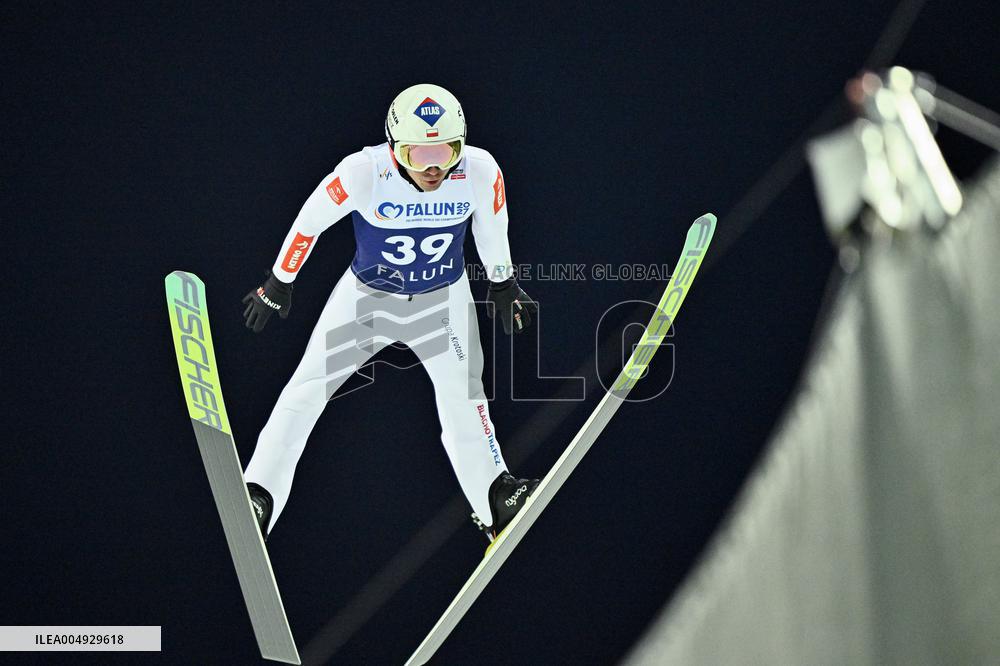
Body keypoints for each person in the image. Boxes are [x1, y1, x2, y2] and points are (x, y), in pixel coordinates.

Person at [240, 83, 539, 545]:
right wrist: (279, 281)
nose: (435, 166)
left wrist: (503, 282)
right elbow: (310, 221)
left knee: (466, 400)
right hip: (368, 302)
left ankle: (495, 498)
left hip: (443, 301)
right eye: (420, 155)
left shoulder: (480, 170)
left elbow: (492, 228)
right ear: (394, 148)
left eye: (447, 150)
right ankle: (259, 493)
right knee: (305, 391)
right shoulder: (363, 172)